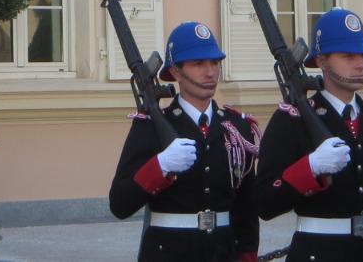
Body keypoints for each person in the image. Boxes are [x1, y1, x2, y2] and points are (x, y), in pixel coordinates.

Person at [256, 7, 363, 261]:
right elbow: (265, 202)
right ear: (322, 61)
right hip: (319, 252)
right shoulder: (293, 119)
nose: (360, 64)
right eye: (348, 56)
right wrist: (310, 168)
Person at [109, 21, 260, 262]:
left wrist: (247, 255)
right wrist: (160, 166)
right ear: (176, 72)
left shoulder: (236, 127)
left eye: (214, 63)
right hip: (168, 252)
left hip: (222, 252)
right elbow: (120, 203)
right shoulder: (151, 126)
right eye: (198, 63)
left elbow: (246, 207)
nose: (210, 72)